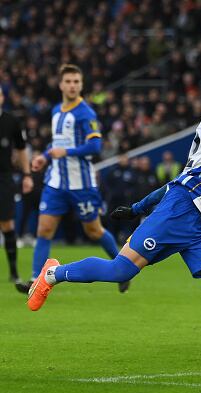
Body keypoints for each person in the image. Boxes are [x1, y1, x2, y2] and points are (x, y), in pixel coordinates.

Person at [27, 61, 201, 376]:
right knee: (120, 271)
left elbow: (179, 181)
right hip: (180, 214)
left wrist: (137, 207)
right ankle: (52, 274)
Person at [30, 64, 129, 293]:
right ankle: (36, 280)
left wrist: (67, 153)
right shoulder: (56, 111)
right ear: (60, 85)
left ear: (81, 85)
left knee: (93, 230)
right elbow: (57, 144)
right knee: (44, 230)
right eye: (68, 81)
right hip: (56, 182)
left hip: (81, 184)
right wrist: (44, 157)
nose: (72, 85)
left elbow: (95, 145)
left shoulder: (86, 113)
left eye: (76, 81)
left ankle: (124, 267)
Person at [0, 88, 33, 293]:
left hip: (4, 178)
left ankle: (13, 270)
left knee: (6, 223)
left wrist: (27, 174)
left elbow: (21, 149)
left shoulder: (11, 121)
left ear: (2, 97)